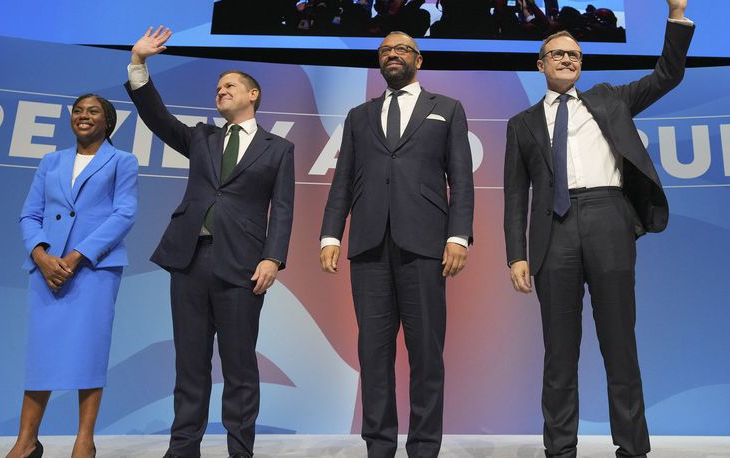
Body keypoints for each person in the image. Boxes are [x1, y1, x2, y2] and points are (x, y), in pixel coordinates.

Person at [502, 1, 693, 456]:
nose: (567, 59)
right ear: (541, 64)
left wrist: (678, 15)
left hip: (608, 218)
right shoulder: (521, 124)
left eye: (575, 55)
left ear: (581, 65)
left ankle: (632, 448)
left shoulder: (610, 98)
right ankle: (560, 449)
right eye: (558, 53)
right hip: (555, 231)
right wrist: (516, 254)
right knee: (560, 354)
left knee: (620, 345)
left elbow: (667, 75)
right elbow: (515, 196)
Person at [125, 26, 295, 458]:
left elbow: (284, 207)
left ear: (253, 94)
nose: (220, 92)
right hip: (190, 261)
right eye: (217, 88)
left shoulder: (279, 149)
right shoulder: (202, 137)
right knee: (190, 364)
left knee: (239, 367)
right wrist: (139, 63)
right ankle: (183, 449)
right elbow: (157, 118)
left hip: (243, 266)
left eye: (230, 86)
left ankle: (240, 450)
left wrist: (273, 257)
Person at [320, 31, 474, 458]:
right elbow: (342, 181)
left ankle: (424, 447)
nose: (392, 55)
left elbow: (461, 179)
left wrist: (458, 235)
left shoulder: (447, 109)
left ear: (418, 60)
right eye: (385, 50)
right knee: (373, 355)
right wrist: (331, 234)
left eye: (401, 49)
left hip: (425, 245)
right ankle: (379, 447)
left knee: (426, 354)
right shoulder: (358, 115)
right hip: (368, 246)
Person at [7, 94, 139, 458]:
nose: (83, 116)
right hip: (46, 270)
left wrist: (77, 256)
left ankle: (85, 441)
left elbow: (124, 214)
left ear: (107, 121)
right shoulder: (51, 161)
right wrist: (41, 255)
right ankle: (27, 441)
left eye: (93, 111)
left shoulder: (122, 161)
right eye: (78, 111)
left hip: (94, 269)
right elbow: (29, 215)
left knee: (89, 352)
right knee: (41, 354)